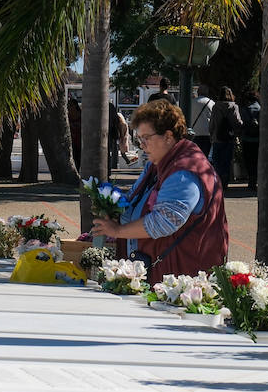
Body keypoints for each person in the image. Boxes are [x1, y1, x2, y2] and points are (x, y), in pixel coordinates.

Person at [91, 99, 228, 282]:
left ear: (168, 136)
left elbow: (162, 222)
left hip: (181, 281)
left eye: (146, 138)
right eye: (139, 139)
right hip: (161, 273)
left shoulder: (184, 172)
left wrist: (117, 231)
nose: (142, 145)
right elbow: (131, 199)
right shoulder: (158, 164)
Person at [207, 86, 244, 190]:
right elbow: (238, 122)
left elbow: (212, 123)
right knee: (227, 161)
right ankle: (225, 182)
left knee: (217, 161)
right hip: (229, 137)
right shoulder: (234, 107)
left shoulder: (216, 107)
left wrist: (211, 134)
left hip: (217, 137)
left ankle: (218, 182)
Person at [239, 91, 261, 190]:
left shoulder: (245, 110)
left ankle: (251, 181)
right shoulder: (261, 109)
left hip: (247, 139)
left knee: (249, 161)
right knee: (257, 161)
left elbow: (241, 124)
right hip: (258, 139)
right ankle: (256, 181)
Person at [190, 85, 215, 156]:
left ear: (198, 92)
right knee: (204, 156)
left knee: (195, 156)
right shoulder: (212, 103)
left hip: (194, 133)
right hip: (207, 133)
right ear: (207, 92)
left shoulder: (192, 102)